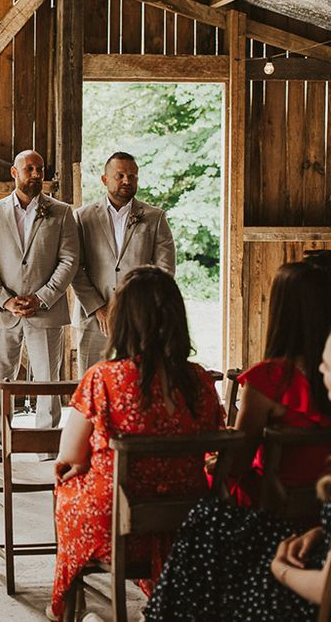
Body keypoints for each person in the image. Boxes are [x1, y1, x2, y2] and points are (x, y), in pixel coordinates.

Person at [47, 266, 224, 621]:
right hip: (185, 521)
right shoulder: (199, 380)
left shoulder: (103, 378)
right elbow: (211, 444)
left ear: (122, 318)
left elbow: (69, 455)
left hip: (118, 526)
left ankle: (65, 603)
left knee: (64, 486)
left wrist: (85, 463)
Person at [144, 328, 331, 621]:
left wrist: (279, 568)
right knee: (207, 520)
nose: (319, 370)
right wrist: (319, 532)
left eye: (328, 366)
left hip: (279, 530)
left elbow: (237, 465)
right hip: (310, 530)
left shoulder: (272, 378)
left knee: (208, 520)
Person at [0, 149, 78, 479]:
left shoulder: (61, 213)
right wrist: (5, 299)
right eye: (28, 168)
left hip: (45, 311)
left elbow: (69, 260)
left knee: (48, 378)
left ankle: (47, 445)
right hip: (4, 312)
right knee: (1, 379)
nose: (35, 173)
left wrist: (43, 297)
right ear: (15, 173)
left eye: (39, 169)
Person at [230, 261, 331, 506]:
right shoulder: (326, 373)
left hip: (275, 503)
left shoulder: (268, 378)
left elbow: (239, 462)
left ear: (280, 311)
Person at [71, 151, 175, 378]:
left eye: (133, 176)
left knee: (141, 382)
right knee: (92, 385)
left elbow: (164, 271)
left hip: (141, 317)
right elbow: (75, 267)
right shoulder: (83, 217)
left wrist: (144, 307)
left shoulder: (155, 217)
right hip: (95, 317)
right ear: (105, 179)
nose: (127, 180)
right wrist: (98, 307)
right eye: (120, 175)